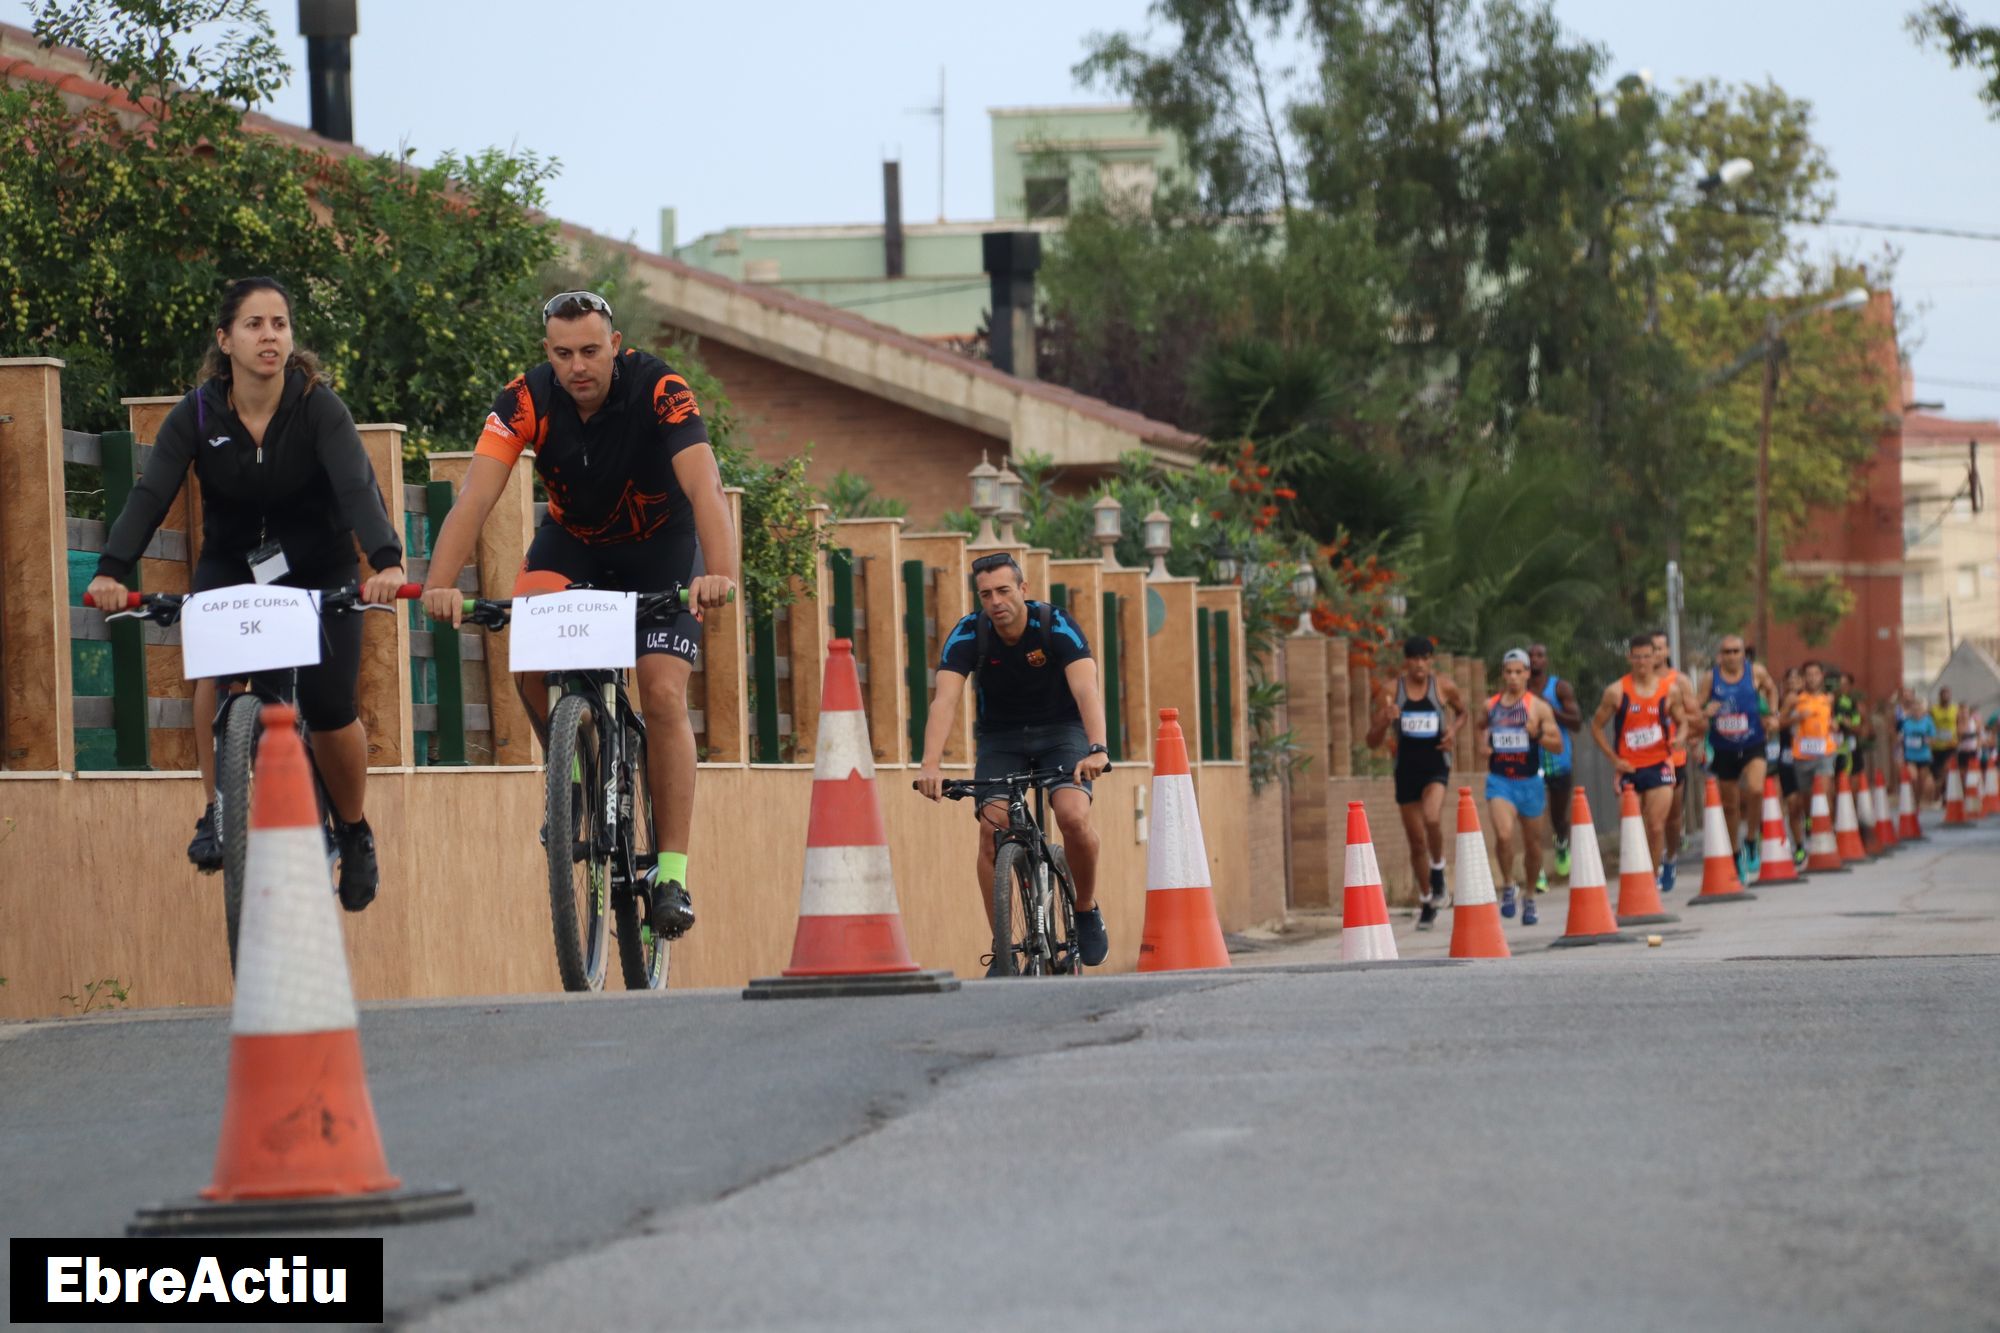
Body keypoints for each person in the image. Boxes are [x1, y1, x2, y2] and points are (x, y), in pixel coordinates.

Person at [420, 291, 737, 938]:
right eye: (563, 354)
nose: (578, 366)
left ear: (615, 345)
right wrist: (439, 584)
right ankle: (571, 774)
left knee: (662, 692)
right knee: (530, 659)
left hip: (662, 546)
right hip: (575, 544)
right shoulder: (525, 398)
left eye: (591, 351)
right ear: (548, 353)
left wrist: (721, 575)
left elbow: (705, 485)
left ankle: (671, 874)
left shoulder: (661, 389)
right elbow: (475, 494)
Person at [86, 276, 407, 909]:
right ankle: (217, 808)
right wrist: (111, 570)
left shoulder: (318, 407)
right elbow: (151, 493)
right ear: (225, 339)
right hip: (235, 564)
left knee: (330, 705)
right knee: (216, 672)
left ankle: (353, 829)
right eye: (254, 324)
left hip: (319, 567)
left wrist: (388, 562)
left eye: (279, 324)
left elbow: (356, 487)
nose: (269, 336)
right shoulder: (198, 414)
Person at [915, 553, 1111, 974]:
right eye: (986, 594)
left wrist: (1097, 748)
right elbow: (944, 700)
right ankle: (1003, 949)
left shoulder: (1055, 625)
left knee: (1072, 816)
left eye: (1004, 590)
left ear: (1023, 589)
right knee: (992, 829)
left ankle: (1085, 907)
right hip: (1001, 738)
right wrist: (930, 764)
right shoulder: (969, 633)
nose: (995, 601)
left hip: (1063, 731)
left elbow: (1086, 690)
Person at [1365, 636, 1467, 930]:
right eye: (1415, 659)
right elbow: (1371, 741)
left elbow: (1463, 712)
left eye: (1425, 658)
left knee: (1432, 817)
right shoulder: (1390, 691)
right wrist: (1385, 721)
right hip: (1406, 770)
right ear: (1406, 662)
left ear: (1431, 661)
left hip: (1436, 765)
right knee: (1416, 841)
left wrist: (1453, 732)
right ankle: (1426, 901)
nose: (1420, 664)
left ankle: (1438, 870)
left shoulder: (1443, 687)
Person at [1591, 633, 1701, 886]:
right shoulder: (1616, 692)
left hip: (1660, 764)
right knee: (1631, 827)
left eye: (1646, 657)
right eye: (1637, 657)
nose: (1642, 662)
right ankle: (1635, 878)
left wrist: (1680, 738)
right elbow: (1596, 727)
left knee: (1656, 825)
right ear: (1629, 658)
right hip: (1629, 767)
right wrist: (1614, 759)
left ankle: (1651, 878)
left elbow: (1682, 722)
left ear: (1655, 658)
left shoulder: (1669, 691)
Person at [1477, 649, 1564, 926]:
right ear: (1503, 675)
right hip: (1500, 780)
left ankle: (1530, 896)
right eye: (1509, 672)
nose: (1513, 677)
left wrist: (1536, 734)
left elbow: (1557, 745)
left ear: (1527, 673)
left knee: (1533, 844)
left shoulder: (1538, 707)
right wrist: (1483, 745)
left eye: (1518, 672)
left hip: (1529, 782)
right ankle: (1508, 884)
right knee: (1503, 835)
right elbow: (1481, 730)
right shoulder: (1491, 706)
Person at [1697, 633, 1778, 880]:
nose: (1732, 656)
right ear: (1720, 655)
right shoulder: (1711, 678)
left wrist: (1772, 714)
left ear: (1744, 654)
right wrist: (1705, 711)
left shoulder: (1756, 672)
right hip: (1724, 747)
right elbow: (1695, 708)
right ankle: (1735, 854)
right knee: (1730, 805)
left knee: (1756, 789)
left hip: (1753, 742)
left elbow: (1772, 689)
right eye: (1727, 652)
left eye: (1736, 651)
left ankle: (1752, 839)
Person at [1526, 642, 1583, 886]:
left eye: (1539, 655)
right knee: (1533, 820)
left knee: (1558, 817)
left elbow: (1576, 722)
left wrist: (1550, 710)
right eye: (1530, 655)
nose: (1534, 659)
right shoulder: (1519, 691)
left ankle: (1561, 842)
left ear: (1546, 660)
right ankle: (1537, 872)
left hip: (1558, 761)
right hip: (1529, 763)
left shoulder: (1559, 688)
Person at [1781, 661, 1839, 849]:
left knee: (1824, 792)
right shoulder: (1795, 699)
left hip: (1825, 752)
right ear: (1804, 677)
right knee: (1805, 799)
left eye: (1816, 674)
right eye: (1809, 674)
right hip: (1802, 755)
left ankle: (1827, 834)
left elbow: (1832, 720)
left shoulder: (1828, 699)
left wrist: (1834, 725)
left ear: (1822, 676)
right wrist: (1796, 718)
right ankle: (1809, 820)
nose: (1812, 678)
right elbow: (1779, 722)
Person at [1649, 630, 1690, 891]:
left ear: (1667, 651)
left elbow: (1693, 715)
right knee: (1652, 819)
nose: (1655, 653)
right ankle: (1652, 868)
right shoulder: (1633, 685)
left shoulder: (1679, 681)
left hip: (1674, 757)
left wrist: (1686, 735)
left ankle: (1671, 857)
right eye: (1651, 649)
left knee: (1673, 818)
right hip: (1646, 759)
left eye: (1659, 648)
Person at [1774, 666, 1806, 861]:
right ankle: (1799, 846)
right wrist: (1794, 717)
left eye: (1797, 679)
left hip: (1809, 755)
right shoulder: (1782, 701)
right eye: (1790, 680)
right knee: (1793, 803)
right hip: (1787, 755)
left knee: (1806, 800)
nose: (1793, 683)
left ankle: (1811, 827)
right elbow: (1777, 723)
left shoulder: (1812, 699)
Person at [1898, 690, 1938, 807]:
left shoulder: (1928, 721)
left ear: (1923, 710)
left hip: (1924, 755)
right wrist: (1901, 750)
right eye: (1914, 709)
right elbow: (1902, 738)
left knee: (1922, 780)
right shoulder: (1906, 722)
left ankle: (1919, 800)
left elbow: (1933, 739)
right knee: (1913, 778)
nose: (1916, 711)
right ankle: (1915, 801)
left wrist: (1928, 741)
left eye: (1918, 709)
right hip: (1910, 755)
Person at [1930, 687, 1960, 794]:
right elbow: (1929, 724)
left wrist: (1958, 737)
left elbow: (1958, 723)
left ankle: (1946, 791)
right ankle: (1940, 791)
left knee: (1947, 769)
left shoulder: (1955, 709)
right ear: (1940, 696)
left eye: (1947, 694)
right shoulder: (1934, 710)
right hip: (1937, 746)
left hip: (1951, 745)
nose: (1945, 697)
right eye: (1943, 695)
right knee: (1937, 772)